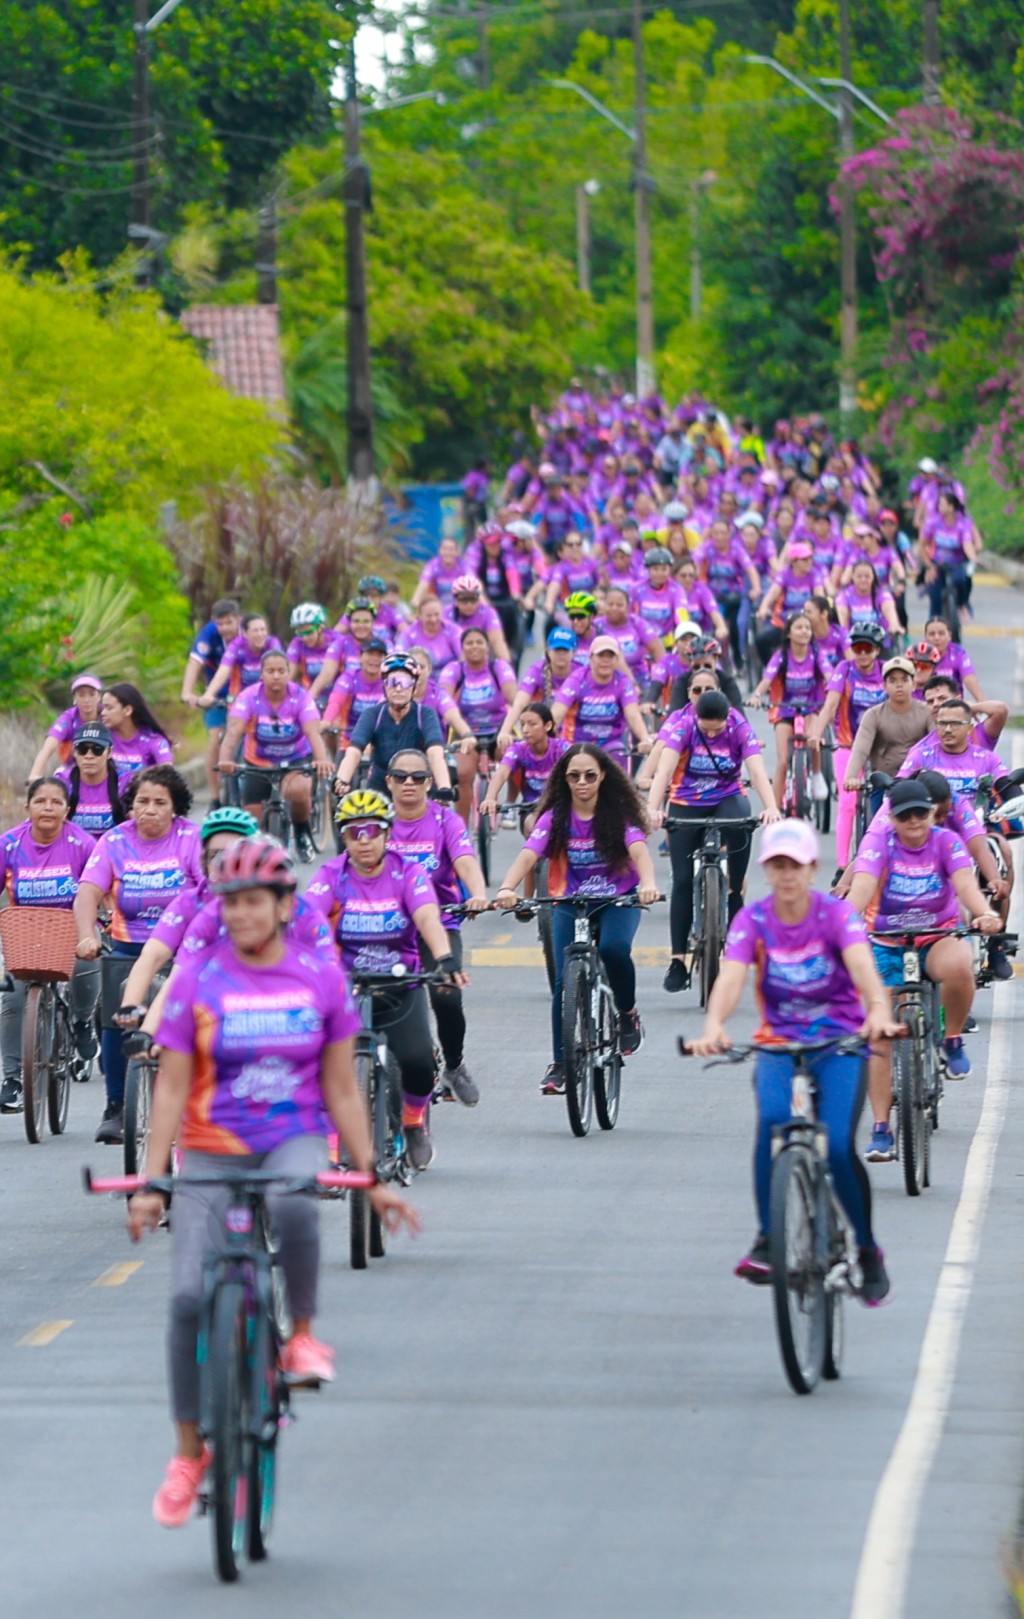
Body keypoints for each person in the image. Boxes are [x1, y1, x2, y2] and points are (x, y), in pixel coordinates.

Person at [127, 835, 418, 1528]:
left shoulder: (319, 978)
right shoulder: (196, 980)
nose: (242, 914)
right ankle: (188, 1452)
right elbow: (170, 1090)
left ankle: (302, 1335)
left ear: (285, 905)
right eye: (231, 902)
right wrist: (152, 1182)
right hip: (210, 1151)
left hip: (290, 1137)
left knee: (294, 1202)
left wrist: (370, 1175)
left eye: (255, 901)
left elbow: (341, 1088)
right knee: (187, 1300)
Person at [686, 819, 896, 1301]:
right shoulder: (753, 920)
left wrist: (878, 1011)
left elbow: (862, 967)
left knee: (837, 1145)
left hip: (839, 1045)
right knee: (772, 1123)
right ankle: (768, 1238)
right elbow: (731, 976)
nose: (786, 875)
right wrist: (715, 1024)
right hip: (779, 1044)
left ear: (812, 869)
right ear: (766, 870)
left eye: (794, 865)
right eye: (777, 865)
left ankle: (866, 1249)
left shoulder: (835, 915)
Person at [307, 791, 459, 1170]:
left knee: (419, 1062)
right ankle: (332, 1148)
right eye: (353, 832)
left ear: (387, 834)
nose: (363, 840)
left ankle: (413, 1122)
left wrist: (443, 958)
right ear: (343, 838)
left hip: (400, 983)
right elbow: (309, 919)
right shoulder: (331, 875)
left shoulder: (407, 872)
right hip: (345, 986)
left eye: (372, 831)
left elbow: (427, 917)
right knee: (323, 1064)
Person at [846, 779, 1001, 1150]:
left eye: (920, 813)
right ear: (892, 819)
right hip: (885, 943)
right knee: (880, 1033)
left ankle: (952, 1038)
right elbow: (861, 890)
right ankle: (881, 1129)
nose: (914, 821)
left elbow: (966, 886)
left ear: (932, 813)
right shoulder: (878, 843)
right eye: (905, 816)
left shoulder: (947, 842)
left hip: (936, 937)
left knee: (961, 963)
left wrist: (985, 914)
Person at [494, 745, 659, 1093]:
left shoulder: (618, 813)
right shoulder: (555, 817)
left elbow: (639, 851)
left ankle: (627, 1014)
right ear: (563, 779)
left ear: (603, 777)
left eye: (589, 775)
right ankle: (561, 1064)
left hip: (617, 899)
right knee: (563, 983)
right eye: (574, 776)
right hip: (570, 900)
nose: (582, 782)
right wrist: (507, 887)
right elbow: (529, 855)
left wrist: (648, 884)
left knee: (614, 949)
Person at [74, 765, 202, 1144]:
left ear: (175, 807)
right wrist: (86, 936)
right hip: (129, 946)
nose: (150, 809)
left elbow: (208, 891)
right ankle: (116, 1106)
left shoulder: (192, 839)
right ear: (130, 805)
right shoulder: (114, 841)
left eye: (160, 802)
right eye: (142, 801)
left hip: (183, 948)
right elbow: (87, 893)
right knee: (116, 1017)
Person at [647, 689, 780, 992]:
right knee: (682, 880)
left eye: (716, 730)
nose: (711, 734)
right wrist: (653, 809)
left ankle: (734, 895)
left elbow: (757, 771)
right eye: (705, 730)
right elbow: (664, 771)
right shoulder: (684, 726)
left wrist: (771, 807)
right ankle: (678, 960)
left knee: (741, 825)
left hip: (727, 797)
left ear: (726, 719)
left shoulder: (738, 726)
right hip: (686, 800)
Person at [386, 750, 489, 1105]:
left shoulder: (446, 821)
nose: (409, 783)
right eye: (401, 777)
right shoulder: (378, 824)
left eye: (418, 777)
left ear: (430, 782)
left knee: (446, 994)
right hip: (386, 929)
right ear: (389, 782)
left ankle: (455, 1066)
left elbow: (465, 862)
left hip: (440, 924)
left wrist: (478, 894)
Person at [0, 778, 100, 1114]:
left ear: (67, 810)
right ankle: (12, 1080)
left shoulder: (83, 844)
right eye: (40, 801)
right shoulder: (8, 844)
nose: (47, 808)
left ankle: (83, 1021)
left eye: (56, 802)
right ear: (27, 807)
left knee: (88, 963)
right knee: (12, 998)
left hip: (72, 930)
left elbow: (100, 889)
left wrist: (100, 923)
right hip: (24, 935)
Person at [217, 648, 333, 863]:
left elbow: (313, 733)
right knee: (252, 816)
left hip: (295, 757)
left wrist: (321, 759)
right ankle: (261, 851)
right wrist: (225, 760)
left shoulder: (301, 697)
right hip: (257, 760)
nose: (276, 676)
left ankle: (301, 832)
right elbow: (233, 732)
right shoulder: (248, 697)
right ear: (261, 674)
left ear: (289, 673)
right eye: (270, 671)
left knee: (298, 791)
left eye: (281, 671)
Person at [807, 620, 886, 876]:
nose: (862, 653)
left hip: (880, 748)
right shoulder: (844, 669)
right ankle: (842, 867)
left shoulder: (887, 672)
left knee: (887, 802)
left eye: (867, 648)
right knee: (847, 803)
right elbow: (830, 705)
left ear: (877, 650)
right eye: (857, 648)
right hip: (847, 744)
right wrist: (816, 733)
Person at [334, 654, 452, 798]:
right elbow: (354, 751)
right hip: (380, 788)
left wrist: (444, 787)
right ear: (384, 687)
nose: (398, 688)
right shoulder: (372, 714)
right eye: (392, 682)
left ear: (414, 688)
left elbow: (435, 754)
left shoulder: (425, 714)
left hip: (418, 787)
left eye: (405, 682)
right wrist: (342, 779)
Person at [747, 611, 830, 808]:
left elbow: (829, 674)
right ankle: (774, 809)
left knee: (813, 738)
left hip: (810, 707)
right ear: (788, 633)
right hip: (784, 709)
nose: (804, 631)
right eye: (799, 628)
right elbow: (767, 680)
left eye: (807, 628)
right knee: (783, 761)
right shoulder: (781, 656)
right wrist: (756, 695)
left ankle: (817, 773)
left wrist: (834, 689)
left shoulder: (817, 654)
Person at [438, 629, 518, 822]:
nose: (474, 646)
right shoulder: (454, 669)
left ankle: (510, 805)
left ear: (487, 647)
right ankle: (461, 828)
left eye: (479, 642)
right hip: (465, 731)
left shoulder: (499, 667)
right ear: (462, 648)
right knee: (464, 773)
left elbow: (514, 697)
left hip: (498, 728)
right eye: (469, 643)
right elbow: (443, 697)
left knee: (515, 758)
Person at [843, 656, 932, 812]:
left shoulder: (927, 713)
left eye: (904, 680)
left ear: (913, 684)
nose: (899, 685)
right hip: (884, 782)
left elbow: (936, 745)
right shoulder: (873, 715)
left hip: (919, 782)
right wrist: (851, 776)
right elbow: (860, 749)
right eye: (892, 680)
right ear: (884, 686)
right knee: (875, 821)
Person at [551, 636, 652, 771]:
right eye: (601, 655)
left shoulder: (623, 682)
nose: (605, 660)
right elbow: (556, 714)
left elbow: (633, 716)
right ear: (591, 658)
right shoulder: (576, 680)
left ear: (617, 660)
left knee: (618, 759)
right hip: (576, 744)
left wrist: (645, 739)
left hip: (612, 745)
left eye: (610, 656)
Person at [179, 599, 241, 808]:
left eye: (229, 623)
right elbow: (195, 662)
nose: (225, 628)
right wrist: (187, 692)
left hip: (245, 697)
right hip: (216, 697)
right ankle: (215, 798)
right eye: (220, 624)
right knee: (215, 740)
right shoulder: (209, 634)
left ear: (238, 620)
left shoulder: (247, 635)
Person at [483, 703, 568, 831]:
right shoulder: (518, 749)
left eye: (532, 724)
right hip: (531, 808)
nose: (525, 730)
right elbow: (501, 773)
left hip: (559, 806)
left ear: (548, 726)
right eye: (522, 724)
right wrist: (490, 797)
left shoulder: (561, 748)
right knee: (533, 827)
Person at [497, 626, 577, 750]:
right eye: (557, 650)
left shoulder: (580, 673)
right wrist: (504, 732)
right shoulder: (536, 671)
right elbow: (519, 703)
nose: (560, 655)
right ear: (548, 651)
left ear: (574, 652)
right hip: (540, 734)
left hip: (572, 736)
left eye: (565, 651)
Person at [29, 672, 105, 779]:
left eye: (92, 694)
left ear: (99, 697)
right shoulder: (69, 718)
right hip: (73, 769)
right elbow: (48, 748)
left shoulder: (108, 715)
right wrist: (35, 774)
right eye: (81, 695)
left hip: (105, 768)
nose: (86, 700)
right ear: (75, 698)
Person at [55, 724, 127, 836]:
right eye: (82, 749)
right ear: (74, 752)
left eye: (97, 750)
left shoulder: (125, 782)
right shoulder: (62, 782)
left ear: (109, 753)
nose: (89, 756)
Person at [199, 613, 282, 703]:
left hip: (268, 697)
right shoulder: (236, 645)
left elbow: (280, 668)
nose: (260, 634)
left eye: (263, 630)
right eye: (255, 631)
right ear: (245, 633)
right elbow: (223, 670)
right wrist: (208, 694)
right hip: (241, 699)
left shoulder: (272, 643)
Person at [321, 637, 387, 747]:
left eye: (379, 655)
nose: (375, 659)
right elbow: (336, 702)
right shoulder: (349, 678)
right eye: (370, 654)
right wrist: (327, 720)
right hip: (350, 740)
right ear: (360, 657)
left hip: (379, 742)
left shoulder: (388, 680)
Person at [101, 683, 174, 779]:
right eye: (103, 707)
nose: (103, 713)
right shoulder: (102, 738)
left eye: (109, 708)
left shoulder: (154, 740)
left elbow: (168, 773)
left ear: (127, 710)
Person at [444, 575, 511, 661]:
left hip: (479, 660)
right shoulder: (446, 614)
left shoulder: (488, 612)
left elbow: (497, 641)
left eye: (473, 599)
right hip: (452, 659)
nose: (469, 604)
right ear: (455, 601)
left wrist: (507, 664)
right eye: (464, 599)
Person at [395, 595, 461, 672]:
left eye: (436, 614)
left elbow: (463, 657)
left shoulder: (453, 630)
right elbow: (398, 658)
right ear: (419, 616)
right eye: (428, 616)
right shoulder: (409, 633)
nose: (433, 619)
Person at [287, 603, 339, 698]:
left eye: (309, 632)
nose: (304, 638)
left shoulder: (336, 640)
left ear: (320, 628)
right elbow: (288, 673)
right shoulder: (297, 643)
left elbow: (328, 672)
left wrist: (309, 698)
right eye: (300, 633)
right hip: (313, 696)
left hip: (339, 697)